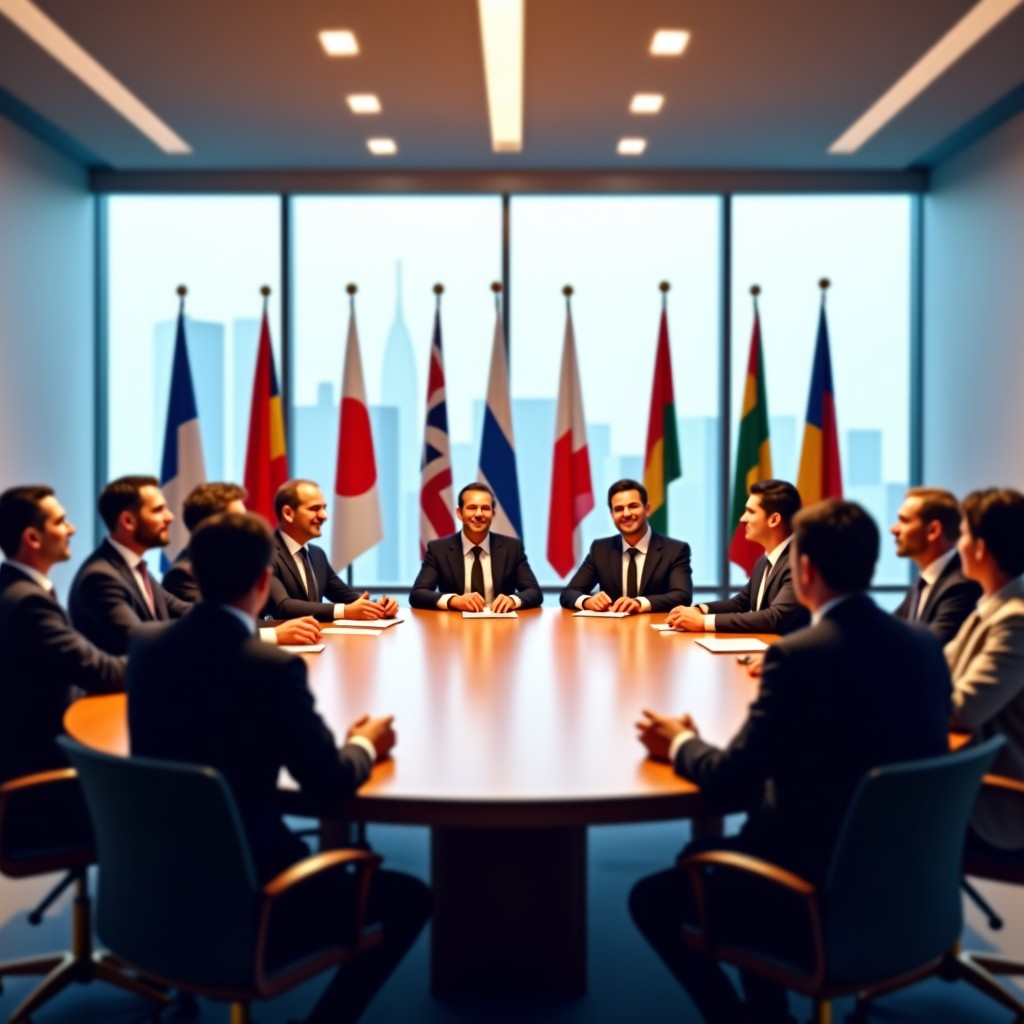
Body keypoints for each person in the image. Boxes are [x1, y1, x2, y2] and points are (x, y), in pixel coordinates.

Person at [630, 499, 951, 1024]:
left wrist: (681, 742)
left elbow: (733, 782)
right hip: (909, 882)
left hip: (812, 890)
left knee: (653, 898)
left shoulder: (799, 657)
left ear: (804, 570)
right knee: (713, 847)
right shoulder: (922, 644)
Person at [129, 511, 430, 1022]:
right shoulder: (269, 667)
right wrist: (364, 743)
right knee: (410, 899)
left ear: (195, 573)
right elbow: (329, 785)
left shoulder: (146, 646)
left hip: (155, 882)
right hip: (255, 895)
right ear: (263, 581)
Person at [0, 486, 124, 783]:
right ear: (32, 538)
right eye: (60, 521)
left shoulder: (12, 587)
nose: (72, 529)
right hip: (44, 767)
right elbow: (101, 671)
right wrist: (158, 660)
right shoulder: (30, 603)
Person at [946, 487, 1024, 853]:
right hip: (970, 782)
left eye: (962, 534)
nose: (957, 544)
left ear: (979, 548)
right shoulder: (991, 608)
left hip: (999, 803)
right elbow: (937, 669)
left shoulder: (1014, 620)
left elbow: (961, 709)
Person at [164, 481, 320, 645]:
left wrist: (289, 627)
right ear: (212, 525)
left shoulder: (231, 562)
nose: (248, 525)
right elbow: (216, 627)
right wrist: (274, 633)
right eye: (239, 519)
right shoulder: (183, 574)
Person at [665, 479, 808, 635]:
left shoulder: (798, 561)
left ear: (773, 520)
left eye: (750, 512)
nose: (742, 519)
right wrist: (699, 610)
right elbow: (740, 603)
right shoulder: (764, 561)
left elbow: (775, 617)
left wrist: (703, 622)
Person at [68, 475, 191, 655]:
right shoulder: (100, 578)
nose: (169, 517)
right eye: (158, 510)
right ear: (128, 521)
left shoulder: (134, 567)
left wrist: (226, 613)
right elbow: (139, 640)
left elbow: (180, 609)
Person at [266, 479, 398, 622]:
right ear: (288, 513)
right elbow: (283, 607)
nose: (324, 516)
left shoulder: (317, 554)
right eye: (315, 508)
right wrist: (344, 611)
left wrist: (379, 606)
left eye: (324, 508)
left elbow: (348, 598)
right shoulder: (263, 553)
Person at [559, 479, 692, 613]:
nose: (626, 514)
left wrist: (639, 603)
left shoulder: (675, 550)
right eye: (618, 509)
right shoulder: (600, 549)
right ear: (612, 515)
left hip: (654, 624)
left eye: (633, 506)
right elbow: (569, 593)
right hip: (612, 626)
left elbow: (682, 596)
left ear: (647, 510)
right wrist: (587, 601)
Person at [409, 483, 542, 612]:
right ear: (459, 513)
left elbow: (534, 592)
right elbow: (418, 594)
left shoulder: (512, 548)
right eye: (472, 507)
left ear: (493, 513)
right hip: (455, 624)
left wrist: (513, 600)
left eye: (485, 508)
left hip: (501, 623)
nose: (478, 514)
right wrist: (453, 600)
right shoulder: (439, 549)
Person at [892, 486, 981, 645]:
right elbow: (887, 631)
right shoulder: (923, 582)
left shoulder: (962, 585)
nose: (894, 529)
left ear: (933, 530)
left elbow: (928, 649)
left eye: (904, 521)